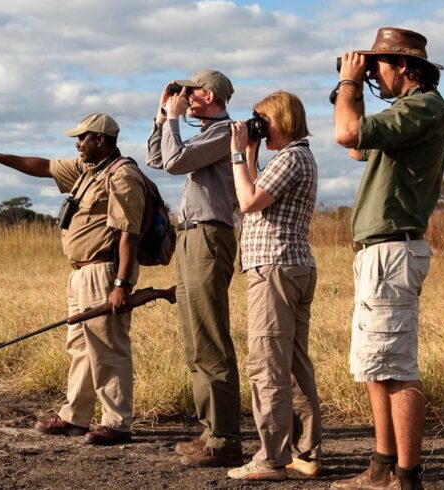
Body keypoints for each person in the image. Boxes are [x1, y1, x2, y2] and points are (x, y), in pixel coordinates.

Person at [0, 113, 146, 446]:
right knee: (80, 347)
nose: (77, 144)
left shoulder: (122, 176)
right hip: (80, 272)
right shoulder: (87, 172)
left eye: (82, 138)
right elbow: (43, 166)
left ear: (101, 140)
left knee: (108, 348)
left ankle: (118, 423)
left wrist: (121, 284)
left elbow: (128, 233)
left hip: (104, 271)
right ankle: (75, 416)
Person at [332, 27, 444, 490]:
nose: (371, 75)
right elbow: (356, 146)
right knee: (375, 365)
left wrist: (348, 85)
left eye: (377, 66)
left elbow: (345, 131)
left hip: (393, 251)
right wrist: (356, 88)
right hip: (379, 251)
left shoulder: (423, 107)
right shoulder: (406, 112)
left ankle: (407, 478)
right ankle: (382, 469)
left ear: (403, 66)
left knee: (396, 368)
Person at [225, 91, 323, 481]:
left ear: (279, 120)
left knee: (266, 365)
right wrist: (249, 153)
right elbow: (254, 194)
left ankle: (270, 459)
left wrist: (235, 153)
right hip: (293, 266)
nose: (256, 126)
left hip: (275, 270)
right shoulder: (296, 157)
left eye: (261, 120)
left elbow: (247, 202)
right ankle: (305, 453)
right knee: (296, 365)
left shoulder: (292, 157)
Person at [146, 68, 242, 467]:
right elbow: (157, 157)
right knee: (193, 337)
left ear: (209, 94)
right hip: (189, 236)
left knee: (209, 336)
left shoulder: (225, 132)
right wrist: (160, 118)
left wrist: (172, 119)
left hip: (209, 236)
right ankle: (210, 432)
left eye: (189, 91)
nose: (182, 97)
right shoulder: (204, 134)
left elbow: (174, 163)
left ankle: (225, 440)